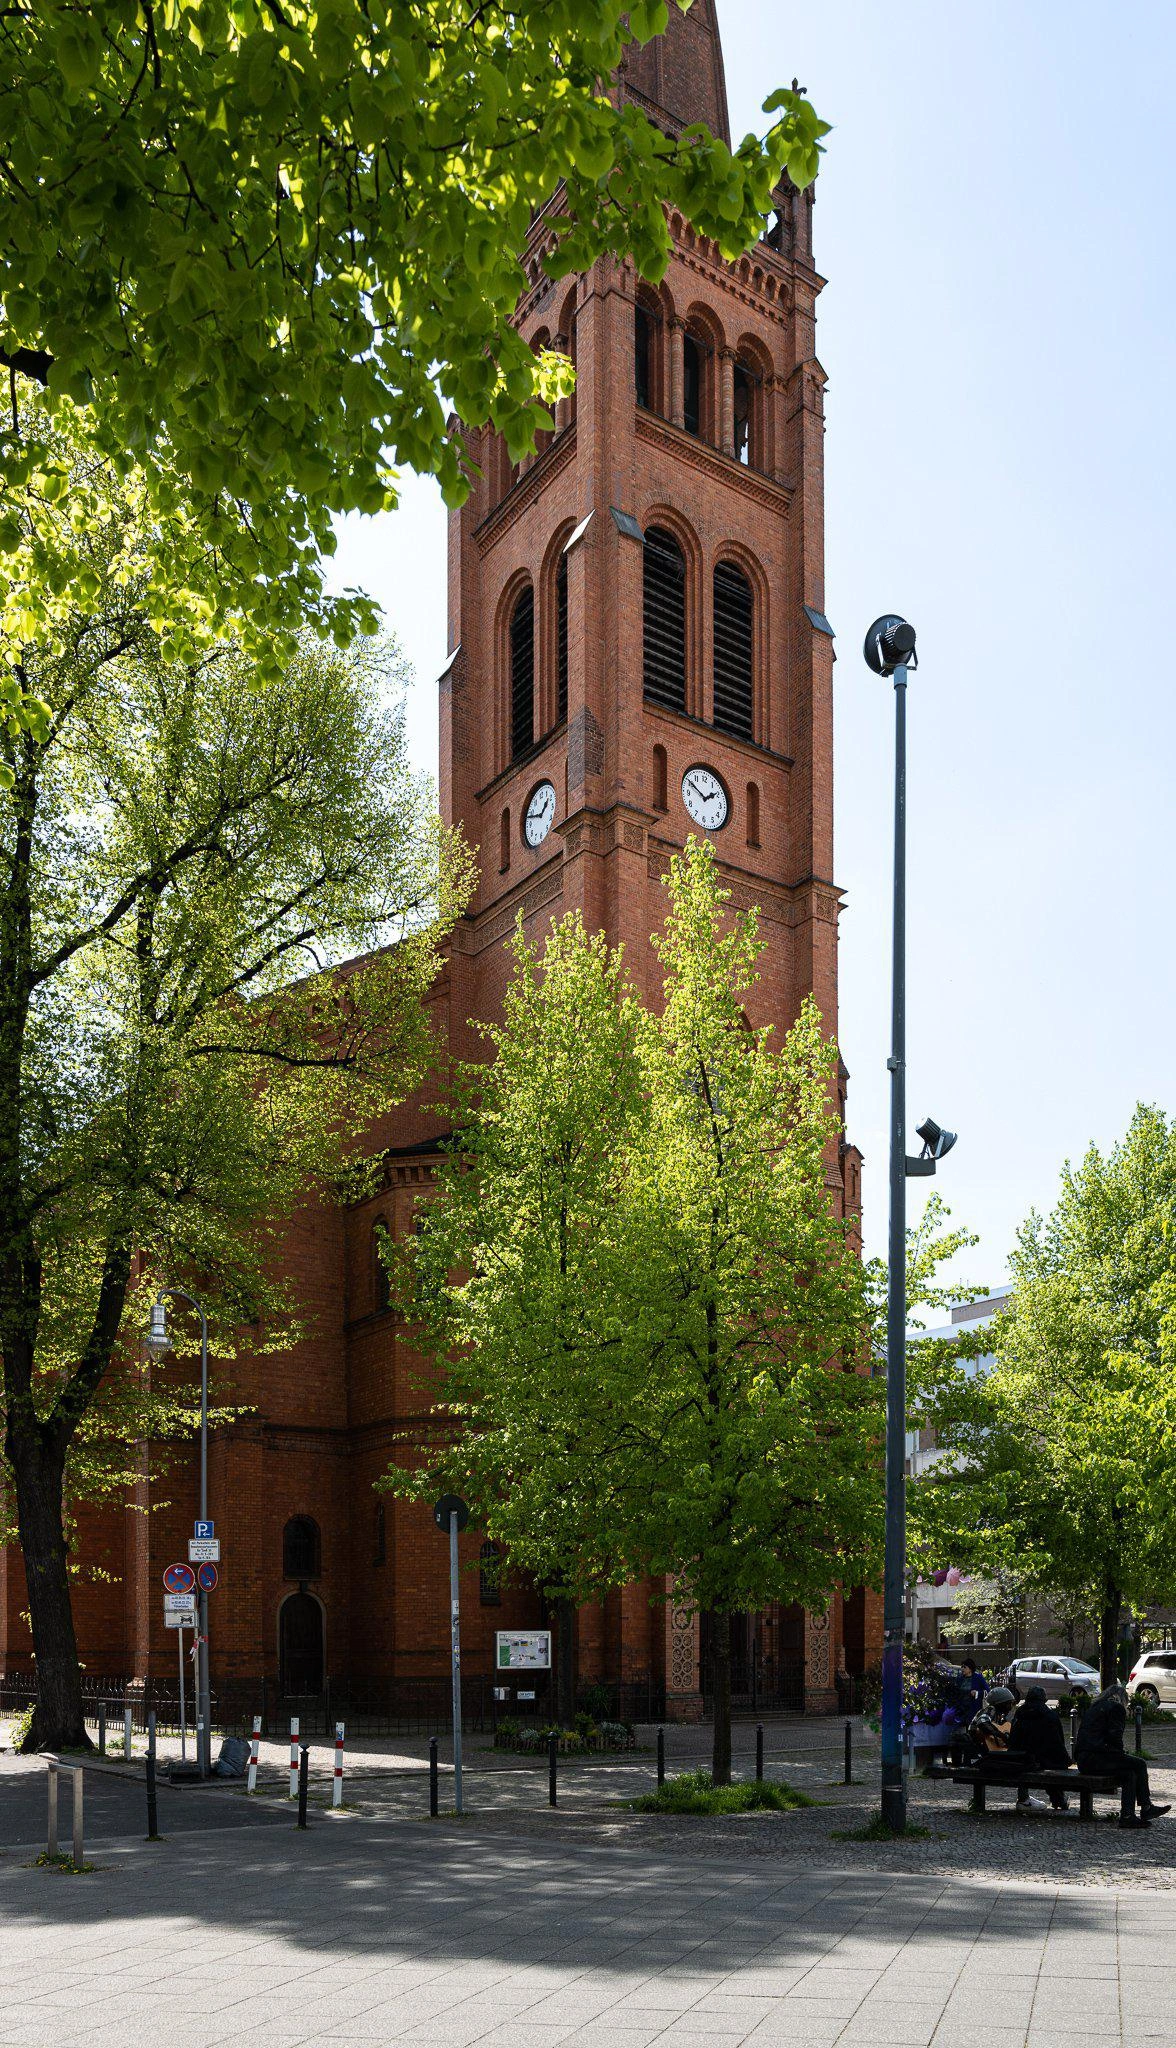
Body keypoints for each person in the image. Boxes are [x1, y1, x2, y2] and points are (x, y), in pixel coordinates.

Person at [1075, 1682, 1171, 1830]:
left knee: (1129, 1774)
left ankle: (1127, 1816)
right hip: (1099, 1757)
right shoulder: (1116, 1708)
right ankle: (1146, 1807)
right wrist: (1120, 1755)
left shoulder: (1094, 1708)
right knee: (1140, 1764)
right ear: (1121, 1698)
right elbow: (1115, 1736)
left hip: (1084, 1760)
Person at [1009, 1684, 1073, 1810]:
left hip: (1021, 1759)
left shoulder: (1020, 1713)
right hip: (1045, 1759)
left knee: (1039, 1762)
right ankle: (1059, 1799)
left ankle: (1024, 1798)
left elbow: (1014, 1738)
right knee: (1052, 1762)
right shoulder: (1050, 1715)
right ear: (1044, 1699)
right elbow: (1058, 1742)